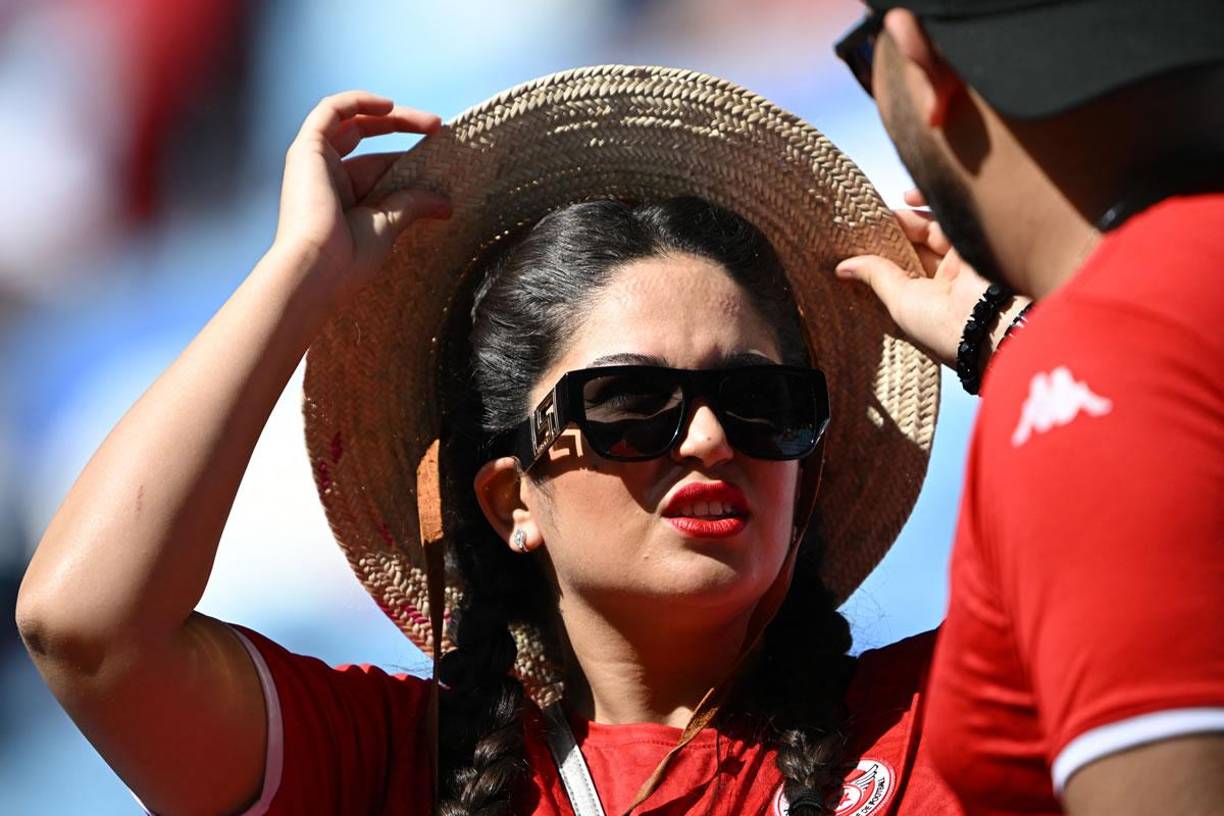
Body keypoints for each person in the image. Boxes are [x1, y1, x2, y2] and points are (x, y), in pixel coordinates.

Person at [16, 67, 966, 815]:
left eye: (761, 399)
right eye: (632, 403)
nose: (714, 437)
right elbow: (89, 630)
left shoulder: (947, 718)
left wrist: (997, 334)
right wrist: (302, 272)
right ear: (511, 498)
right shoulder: (391, 769)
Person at [830, 2, 1224, 814]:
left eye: (863, 54)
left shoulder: (1104, 356)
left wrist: (1072, 363)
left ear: (919, 59)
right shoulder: (1153, 331)